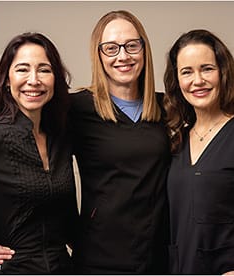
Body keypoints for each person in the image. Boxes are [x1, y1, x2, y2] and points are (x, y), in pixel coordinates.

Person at [68, 10, 171, 274]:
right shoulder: (76, 109)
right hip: (99, 259)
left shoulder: (169, 107)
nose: (123, 56)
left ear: (144, 50)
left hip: (158, 258)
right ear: (98, 55)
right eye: (111, 48)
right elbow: (31, 170)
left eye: (131, 46)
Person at [0, 32, 79, 274]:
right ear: (7, 79)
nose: (34, 80)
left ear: (55, 79)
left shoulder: (61, 137)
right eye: (22, 69)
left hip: (63, 268)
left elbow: (69, 220)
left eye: (44, 70)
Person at [163, 29, 234, 275]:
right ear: (177, 81)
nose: (197, 80)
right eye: (187, 72)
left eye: (207, 68)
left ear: (223, 72)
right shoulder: (176, 142)